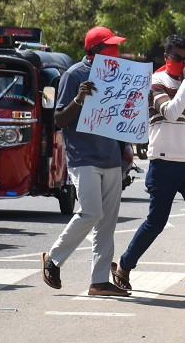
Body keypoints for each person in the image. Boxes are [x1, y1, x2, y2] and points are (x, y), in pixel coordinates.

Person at [114, 34, 185, 297]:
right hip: (163, 161)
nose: (181, 63)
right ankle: (124, 265)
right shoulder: (157, 81)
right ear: (166, 57)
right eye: (176, 58)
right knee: (156, 221)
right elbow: (169, 112)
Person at [40, 25, 135, 297]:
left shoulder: (119, 75)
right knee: (91, 212)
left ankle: (99, 280)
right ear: (94, 51)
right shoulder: (74, 75)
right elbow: (58, 120)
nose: (116, 52)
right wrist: (79, 99)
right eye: (110, 48)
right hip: (84, 157)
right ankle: (54, 259)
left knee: (107, 222)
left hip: (111, 157)